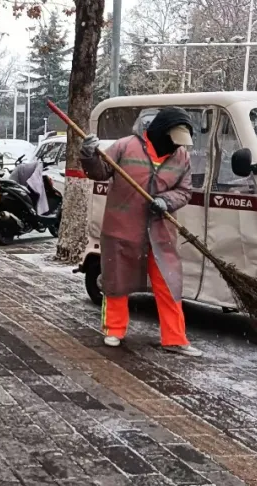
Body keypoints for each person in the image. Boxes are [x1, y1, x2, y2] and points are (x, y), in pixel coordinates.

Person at [79, 107, 203, 357]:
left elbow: (185, 191)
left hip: (161, 234)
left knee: (169, 284)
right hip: (121, 228)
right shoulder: (125, 147)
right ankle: (114, 330)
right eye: (174, 139)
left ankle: (175, 338)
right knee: (116, 282)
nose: (177, 146)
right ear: (161, 132)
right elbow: (99, 173)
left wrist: (167, 201)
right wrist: (89, 155)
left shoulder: (182, 157)